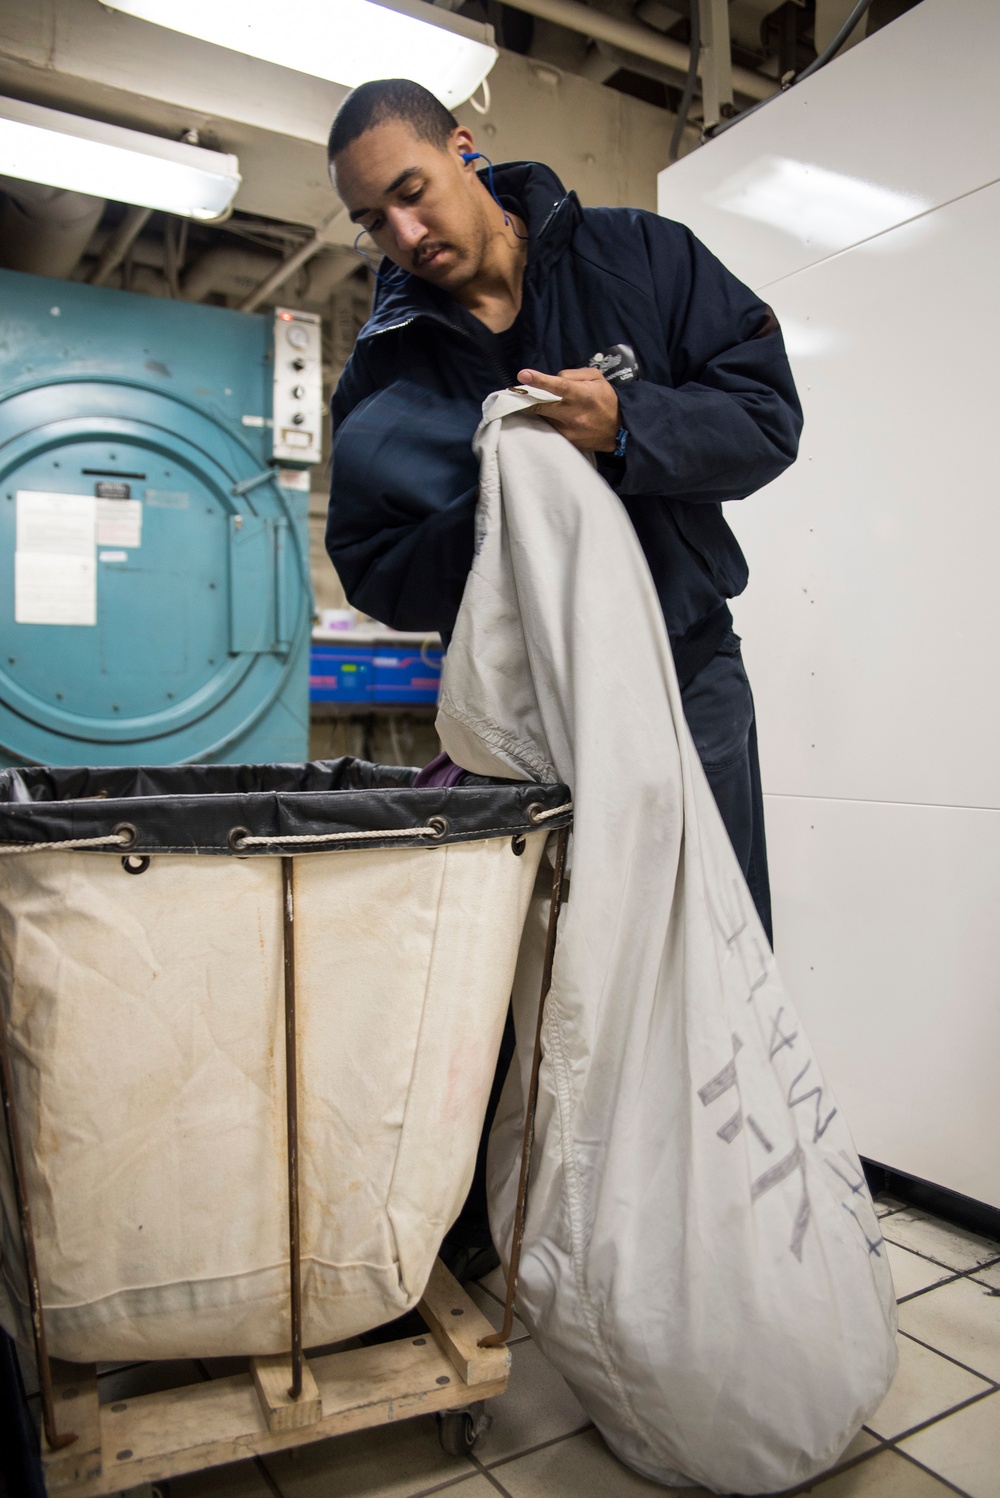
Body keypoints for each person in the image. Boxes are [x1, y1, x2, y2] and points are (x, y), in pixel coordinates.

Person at [325, 78, 802, 1276]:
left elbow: (765, 416)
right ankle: (498, 1227)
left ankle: (719, 1231)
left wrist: (626, 429)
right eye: (371, 222)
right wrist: (503, 505)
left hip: (683, 678)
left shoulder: (643, 259)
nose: (404, 235)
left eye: (411, 193)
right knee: (508, 962)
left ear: (464, 150)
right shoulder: (387, 367)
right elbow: (375, 562)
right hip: (520, 712)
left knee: (711, 940)